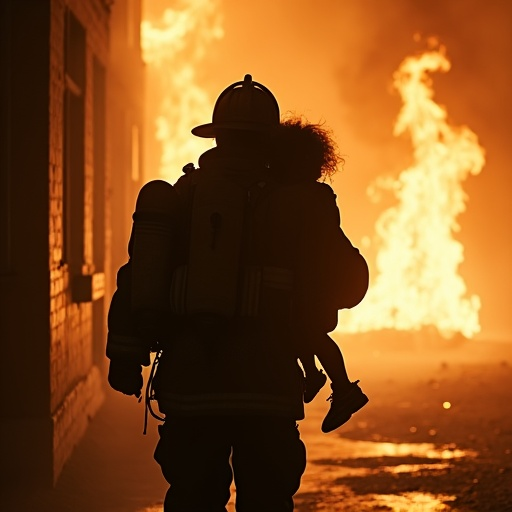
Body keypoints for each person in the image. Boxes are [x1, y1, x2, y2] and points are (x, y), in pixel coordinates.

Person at [106, 75, 369, 512]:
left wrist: (125, 357)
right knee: (266, 500)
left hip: (191, 388)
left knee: (193, 499)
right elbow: (349, 284)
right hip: (268, 390)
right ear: (272, 141)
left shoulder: (181, 197)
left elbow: (136, 279)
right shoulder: (300, 202)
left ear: (217, 136)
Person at [269, 117, 369, 433]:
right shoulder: (312, 194)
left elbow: (308, 248)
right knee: (300, 327)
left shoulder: (304, 197)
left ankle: (343, 389)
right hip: (322, 276)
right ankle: (315, 376)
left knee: (308, 331)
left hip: (325, 278)